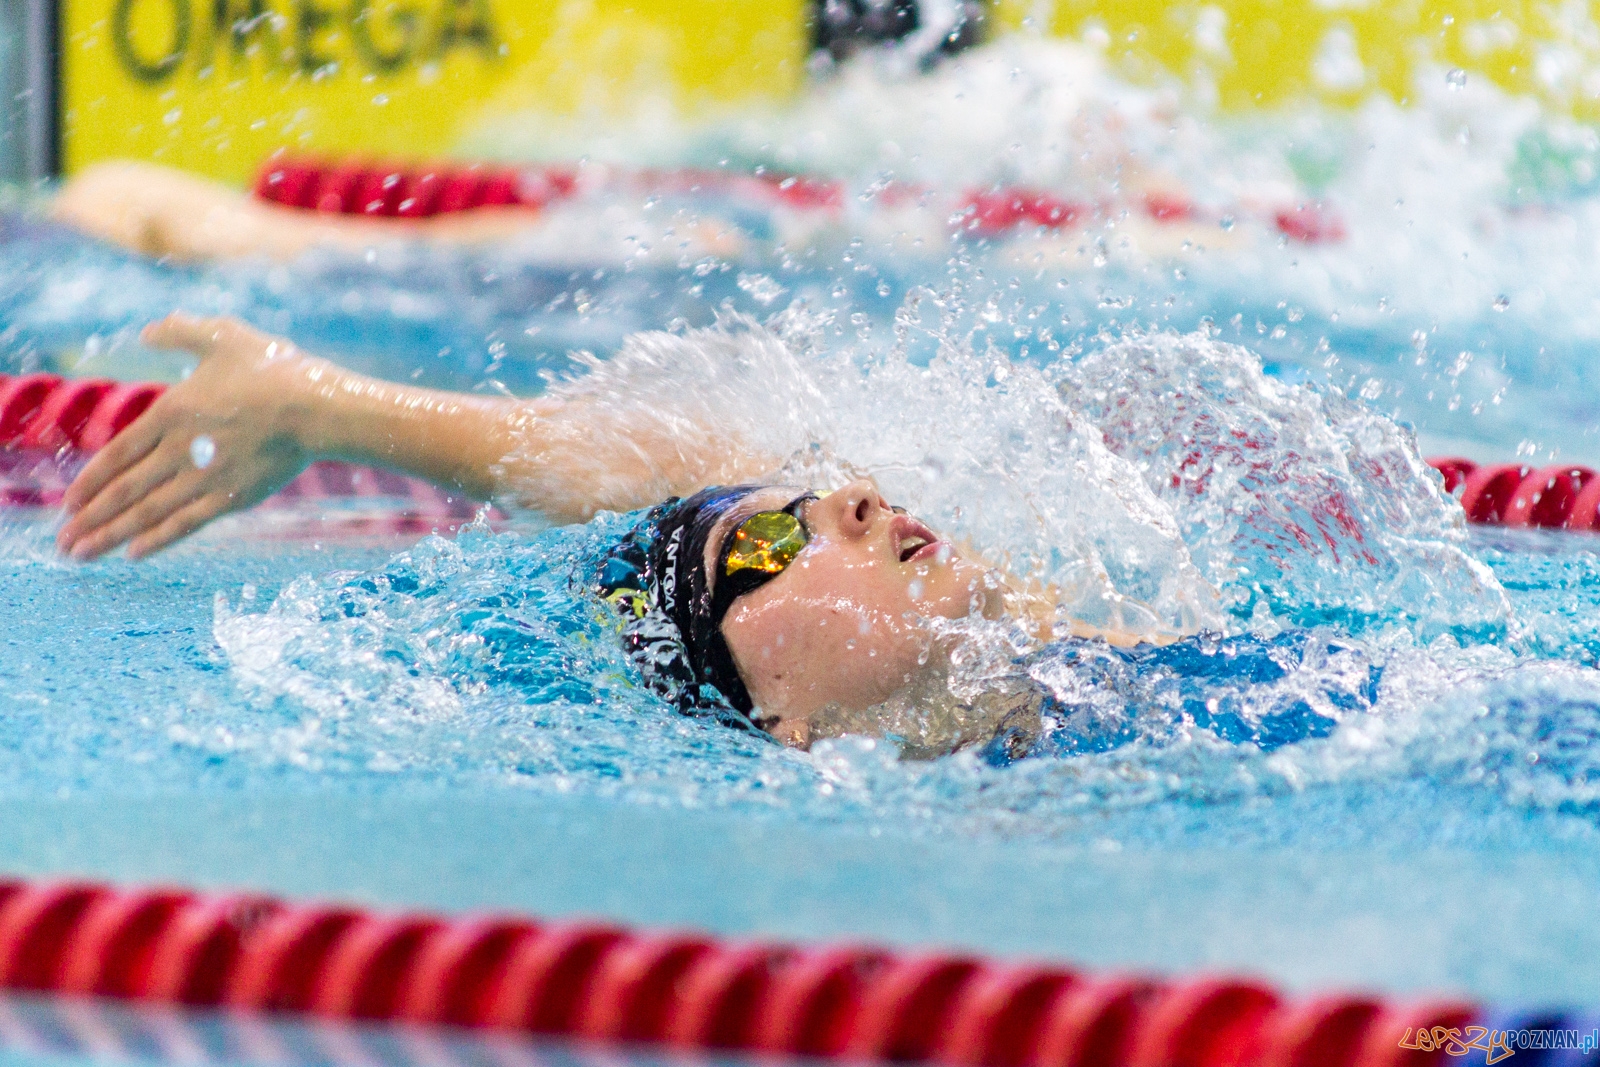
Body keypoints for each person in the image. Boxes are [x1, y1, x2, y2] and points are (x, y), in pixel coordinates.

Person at [57, 314, 1177, 752]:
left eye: (816, 496)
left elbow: (659, 471)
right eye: (765, 549)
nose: (855, 502)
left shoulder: (1094, 645)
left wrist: (326, 409)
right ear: (786, 723)